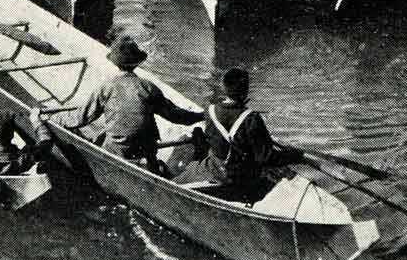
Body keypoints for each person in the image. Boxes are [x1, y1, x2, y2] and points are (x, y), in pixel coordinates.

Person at [67, 39, 203, 171]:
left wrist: (59, 119)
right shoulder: (148, 87)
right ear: (136, 63)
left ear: (116, 64)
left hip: (117, 150)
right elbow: (176, 116)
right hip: (145, 149)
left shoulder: (106, 87)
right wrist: (202, 116)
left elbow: (82, 118)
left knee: (102, 137)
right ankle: (150, 166)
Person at [186, 68, 302, 203]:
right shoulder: (251, 119)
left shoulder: (210, 110)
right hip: (240, 177)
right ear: (246, 90)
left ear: (224, 88)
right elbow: (266, 158)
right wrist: (295, 155)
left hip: (216, 169)